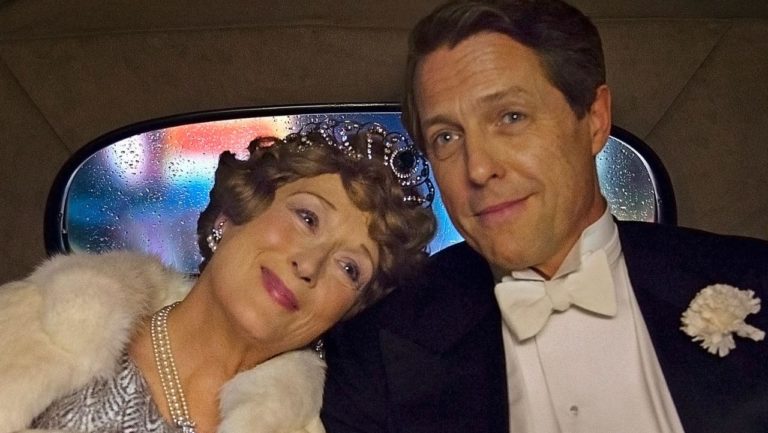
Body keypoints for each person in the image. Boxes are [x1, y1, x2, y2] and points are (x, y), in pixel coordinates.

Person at [320, 1, 768, 432]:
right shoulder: (375, 351)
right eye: (446, 137)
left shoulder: (754, 277)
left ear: (595, 119)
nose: (478, 168)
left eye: (511, 117)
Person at [0, 121, 436, 433]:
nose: (309, 265)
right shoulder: (31, 324)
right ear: (231, 216)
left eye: (349, 268)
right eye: (307, 218)